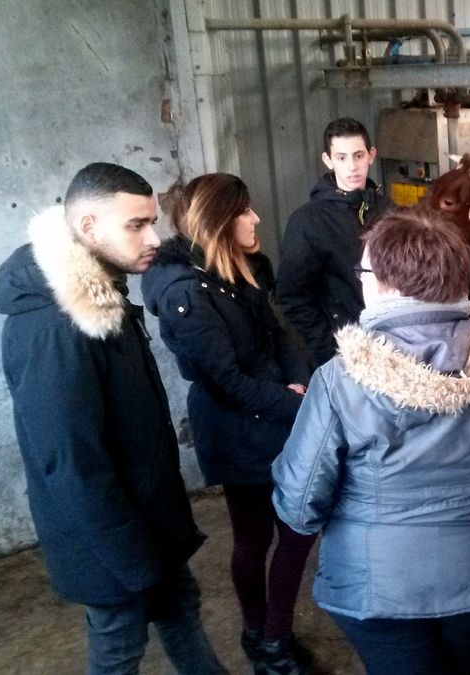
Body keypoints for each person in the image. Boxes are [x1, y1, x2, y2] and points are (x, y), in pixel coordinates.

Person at [272, 208, 470, 675]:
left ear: (386, 285)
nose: (360, 282)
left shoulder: (339, 379)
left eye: (364, 273)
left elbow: (299, 505)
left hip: (377, 589)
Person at [0, 162, 226, 674]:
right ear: (89, 226)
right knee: (119, 645)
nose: (154, 238)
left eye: (152, 222)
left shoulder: (102, 294)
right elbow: (72, 464)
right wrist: (137, 565)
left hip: (145, 524)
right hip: (111, 544)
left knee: (181, 612)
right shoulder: (55, 327)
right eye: (136, 225)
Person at [142, 174, 316, 674]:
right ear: (220, 221)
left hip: (277, 412)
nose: (255, 218)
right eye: (244, 211)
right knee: (256, 536)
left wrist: (300, 381)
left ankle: (273, 635)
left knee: (297, 531)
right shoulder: (187, 293)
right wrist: (295, 404)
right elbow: (226, 383)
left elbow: (278, 334)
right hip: (238, 430)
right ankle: (261, 636)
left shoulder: (245, 266)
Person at [277, 117, 391, 368]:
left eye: (358, 156)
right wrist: (330, 352)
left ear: (371, 155)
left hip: (393, 345)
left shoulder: (389, 211)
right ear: (328, 160)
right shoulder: (307, 221)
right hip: (343, 353)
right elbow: (291, 296)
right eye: (341, 158)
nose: (352, 166)